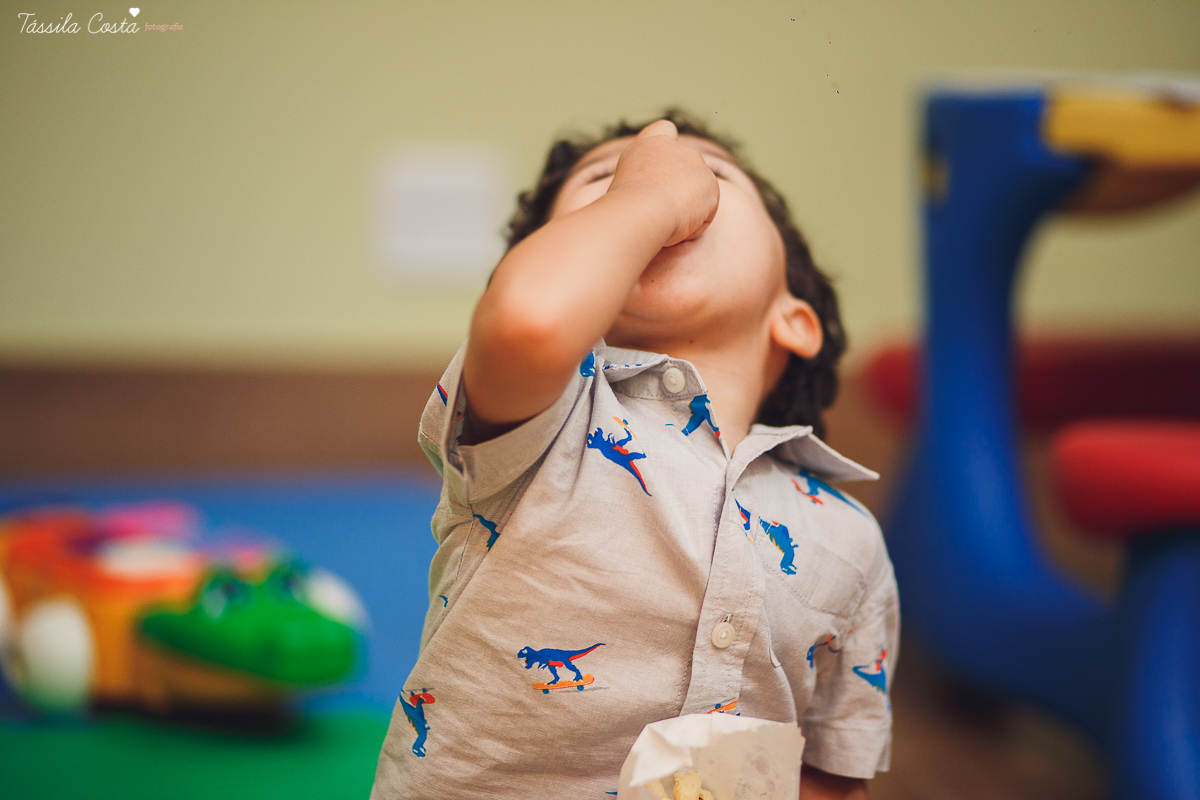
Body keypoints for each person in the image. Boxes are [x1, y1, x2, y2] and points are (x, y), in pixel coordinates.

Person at [370, 108, 899, 800]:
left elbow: (830, 773)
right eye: (604, 182)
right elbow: (531, 319)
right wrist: (649, 199)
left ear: (794, 320)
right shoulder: (550, 414)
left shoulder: (850, 537)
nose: (653, 175)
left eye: (709, 173)